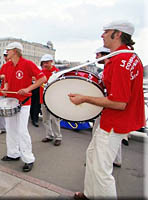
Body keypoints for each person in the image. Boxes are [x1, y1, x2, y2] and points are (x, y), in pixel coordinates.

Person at [70, 20, 145, 199]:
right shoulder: (131, 57)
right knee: (92, 157)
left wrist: (85, 98)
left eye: (106, 31)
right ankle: (89, 194)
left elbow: (119, 103)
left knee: (102, 170)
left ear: (117, 34)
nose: (102, 35)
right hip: (117, 120)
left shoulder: (119, 61)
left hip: (114, 122)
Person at [1, 42, 47, 172]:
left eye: (8, 50)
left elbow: (42, 79)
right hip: (11, 101)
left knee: (22, 131)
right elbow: (7, 82)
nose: (6, 52)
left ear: (15, 51)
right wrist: (5, 89)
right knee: (10, 129)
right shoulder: (7, 65)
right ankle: (13, 153)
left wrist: (27, 88)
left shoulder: (28, 64)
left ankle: (28, 159)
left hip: (24, 102)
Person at [40, 54, 62, 146]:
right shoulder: (41, 71)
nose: (45, 64)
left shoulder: (57, 73)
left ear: (51, 62)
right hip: (43, 99)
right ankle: (49, 135)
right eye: (44, 62)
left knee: (55, 119)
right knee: (45, 119)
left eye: (47, 62)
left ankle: (58, 137)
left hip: (53, 100)